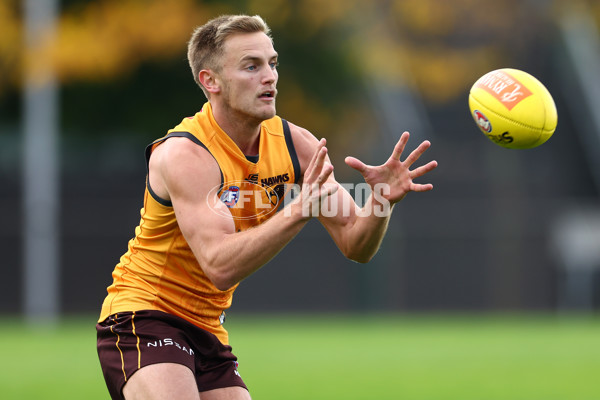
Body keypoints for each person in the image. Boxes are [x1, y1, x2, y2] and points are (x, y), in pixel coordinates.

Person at [96, 14, 438, 400]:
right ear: (210, 81)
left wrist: (380, 203)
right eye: (251, 66)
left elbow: (355, 244)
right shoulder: (186, 154)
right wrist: (298, 210)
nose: (270, 76)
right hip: (143, 315)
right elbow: (220, 265)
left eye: (272, 63)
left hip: (207, 326)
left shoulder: (297, 144)